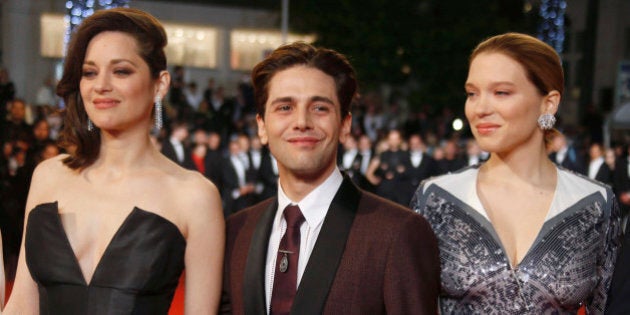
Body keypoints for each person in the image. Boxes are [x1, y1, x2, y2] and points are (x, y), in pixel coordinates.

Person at [4, 8, 224, 314]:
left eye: (121, 71)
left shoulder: (194, 196)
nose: (101, 85)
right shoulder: (48, 176)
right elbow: (22, 306)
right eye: (89, 72)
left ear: (159, 84)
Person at [220, 42, 439, 315]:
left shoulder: (398, 233)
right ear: (262, 127)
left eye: (320, 108)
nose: (301, 121)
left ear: (345, 125)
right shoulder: (236, 232)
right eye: (285, 107)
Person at [411, 32, 621, 313]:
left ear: (549, 103)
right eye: (472, 93)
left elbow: (605, 306)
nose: (480, 108)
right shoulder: (435, 198)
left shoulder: (596, 203)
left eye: (501, 92)